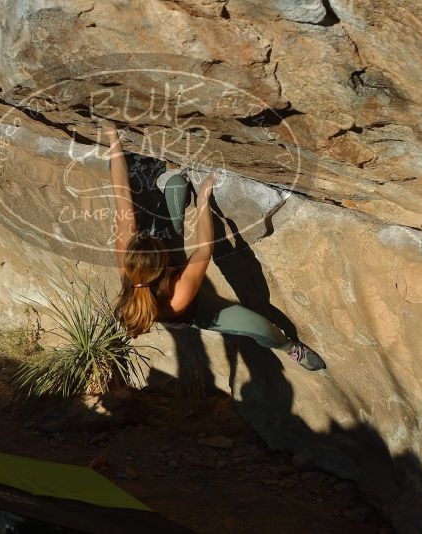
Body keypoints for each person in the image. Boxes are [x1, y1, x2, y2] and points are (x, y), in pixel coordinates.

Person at [105, 125, 326, 371]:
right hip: (196, 310)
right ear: (164, 261)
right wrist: (202, 202)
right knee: (259, 326)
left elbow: (121, 194)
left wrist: (113, 138)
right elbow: (204, 250)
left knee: (177, 183)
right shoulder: (178, 298)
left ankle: (175, 188)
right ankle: (289, 348)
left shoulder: (128, 258)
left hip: (161, 267)